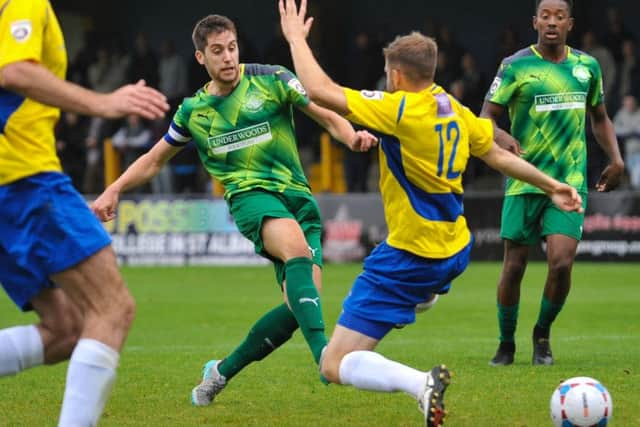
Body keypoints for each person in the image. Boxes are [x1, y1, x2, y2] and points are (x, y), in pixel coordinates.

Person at [278, 1, 583, 426]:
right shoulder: (454, 108)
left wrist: (295, 38)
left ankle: (420, 382)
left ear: (397, 74)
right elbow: (497, 154)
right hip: (454, 249)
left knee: (334, 363)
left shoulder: (399, 110)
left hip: (409, 255)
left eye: (389, 73)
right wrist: (552, 185)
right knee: (416, 291)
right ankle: (423, 296)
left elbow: (317, 89)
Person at [90, 14, 377, 408]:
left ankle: (221, 371)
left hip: (298, 199)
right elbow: (155, 159)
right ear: (200, 57)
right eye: (217, 51)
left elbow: (325, 115)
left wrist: (352, 135)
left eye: (232, 48)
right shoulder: (194, 110)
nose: (227, 57)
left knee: (298, 308)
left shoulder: (272, 78)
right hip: (250, 200)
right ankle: (326, 359)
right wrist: (114, 188)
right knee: (295, 254)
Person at [0, 1, 169, 426]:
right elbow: (15, 71)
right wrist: (103, 103)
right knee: (113, 308)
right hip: (23, 177)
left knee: (65, 329)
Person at [480, 0, 624, 367]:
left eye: (559, 17)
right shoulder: (514, 66)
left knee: (561, 263)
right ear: (535, 22)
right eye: (545, 16)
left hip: (569, 183)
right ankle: (506, 343)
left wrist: (616, 158)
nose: (552, 22)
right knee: (514, 265)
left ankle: (542, 335)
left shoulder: (586, 67)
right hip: (524, 179)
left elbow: (601, 117)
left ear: (570, 24)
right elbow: (486, 117)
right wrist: (501, 137)